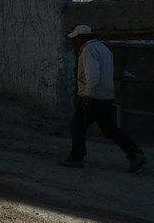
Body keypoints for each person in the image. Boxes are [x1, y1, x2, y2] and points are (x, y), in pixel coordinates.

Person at [59, 25, 146, 173]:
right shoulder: (103, 48)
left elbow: (93, 76)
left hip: (93, 97)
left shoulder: (88, 50)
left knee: (77, 126)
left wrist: (87, 96)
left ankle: (76, 157)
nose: (75, 42)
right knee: (110, 129)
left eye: (76, 39)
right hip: (106, 96)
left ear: (81, 37)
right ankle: (135, 153)